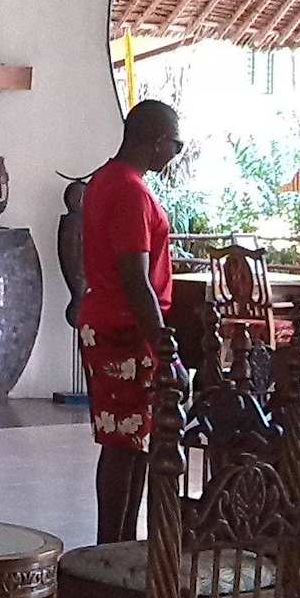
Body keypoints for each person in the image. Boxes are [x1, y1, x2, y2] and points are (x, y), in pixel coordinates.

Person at [78, 99, 184, 543]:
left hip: (113, 322)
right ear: (157, 141)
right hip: (125, 329)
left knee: (131, 441)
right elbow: (136, 280)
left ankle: (120, 544)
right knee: (124, 444)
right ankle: (110, 547)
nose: (176, 153)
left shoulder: (106, 180)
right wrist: (166, 351)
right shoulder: (130, 191)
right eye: (177, 143)